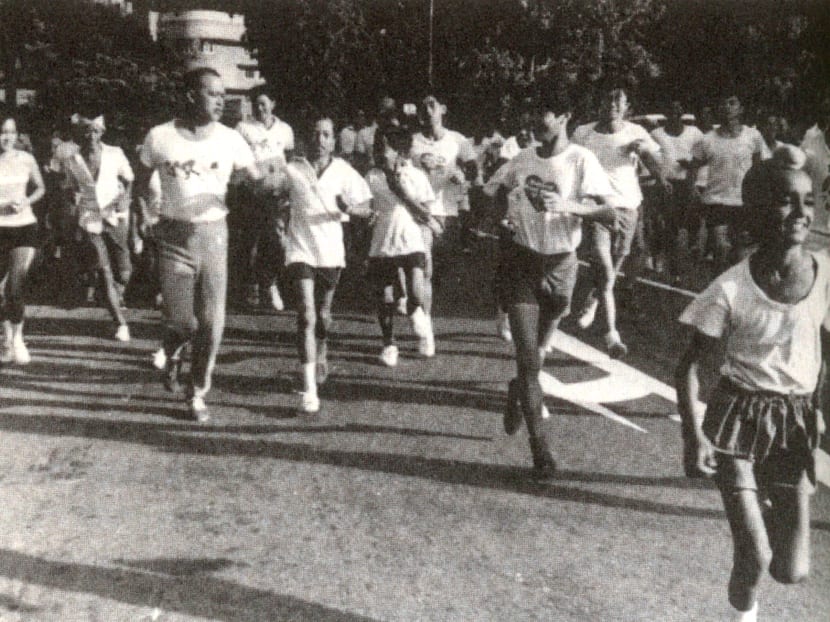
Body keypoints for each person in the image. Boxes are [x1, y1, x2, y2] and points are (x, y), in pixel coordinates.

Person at [676, 149, 826, 622]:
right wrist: (692, 435)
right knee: (755, 558)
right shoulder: (730, 289)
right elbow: (688, 368)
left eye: (808, 201)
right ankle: (743, 616)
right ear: (759, 210)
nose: (801, 213)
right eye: (785, 201)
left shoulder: (824, 275)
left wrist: (821, 412)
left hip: (795, 423)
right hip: (737, 421)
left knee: (793, 570)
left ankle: (763, 496)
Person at [484, 100, 616, 477]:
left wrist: (570, 206)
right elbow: (490, 191)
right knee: (528, 359)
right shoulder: (523, 158)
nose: (535, 124)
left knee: (534, 360)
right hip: (523, 264)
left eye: (542, 117)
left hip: (562, 267)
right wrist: (502, 220)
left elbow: (609, 213)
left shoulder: (581, 160)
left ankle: (517, 390)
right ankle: (541, 451)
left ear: (563, 118)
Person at [138, 67, 264, 422]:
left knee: (211, 324)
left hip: (214, 237)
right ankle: (172, 348)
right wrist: (146, 212)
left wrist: (265, 181)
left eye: (224, 94)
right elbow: (141, 175)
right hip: (173, 237)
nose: (221, 100)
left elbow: (255, 180)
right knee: (182, 321)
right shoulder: (159, 136)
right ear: (192, 95)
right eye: (213, 93)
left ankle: (196, 391)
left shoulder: (231, 139)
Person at [279, 117, 372, 413]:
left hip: (330, 253)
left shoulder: (344, 171)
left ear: (334, 141)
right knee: (306, 314)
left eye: (327, 135)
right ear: (307, 139)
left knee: (322, 315)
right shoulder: (293, 169)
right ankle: (309, 388)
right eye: (316, 134)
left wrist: (350, 209)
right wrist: (279, 219)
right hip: (300, 250)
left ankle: (321, 351)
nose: (321, 139)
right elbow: (275, 194)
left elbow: (368, 209)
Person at [572, 88, 669, 358]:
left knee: (615, 263)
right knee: (602, 262)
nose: (611, 104)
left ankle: (594, 297)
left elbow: (659, 165)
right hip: (597, 207)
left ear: (626, 106)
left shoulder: (636, 132)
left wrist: (646, 155)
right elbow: (570, 162)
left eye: (618, 101)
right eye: (607, 99)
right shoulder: (583, 133)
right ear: (599, 103)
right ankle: (611, 333)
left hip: (628, 206)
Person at [410, 94, 477, 355]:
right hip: (421, 212)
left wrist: (463, 175)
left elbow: (473, 169)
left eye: (432, 105)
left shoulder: (457, 140)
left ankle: (420, 304)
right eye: (422, 106)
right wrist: (419, 162)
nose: (427, 111)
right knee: (424, 268)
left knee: (439, 272)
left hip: (448, 213)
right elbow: (399, 166)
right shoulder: (413, 142)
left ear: (443, 109)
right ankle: (426, 332)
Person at [365, 124, 436, 366]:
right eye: (378, 147)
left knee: (416, 291)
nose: (379, 152)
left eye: (385, 147)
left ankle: (419, 316)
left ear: (400, 152)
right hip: (383, 243)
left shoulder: (416, 176)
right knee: (385, 298)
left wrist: (402, 192)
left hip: (411, 241)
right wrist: (366, 216)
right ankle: (389, 344)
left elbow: (427, 213)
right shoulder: (372, 176)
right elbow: (367, 206)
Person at [63, 113, 134, 341]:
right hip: (89, 218)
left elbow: (130, 178)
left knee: (124, 273)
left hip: (116, 216)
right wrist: (73, 212)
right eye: (86, 131)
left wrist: (126, 198)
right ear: (79, 135)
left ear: (101, 132)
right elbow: (69, 187)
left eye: (95, 130)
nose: (90, 135)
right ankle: (119, 322)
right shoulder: (72, 160)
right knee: (104, 270)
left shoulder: (115, 153)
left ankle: (111, 291)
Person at [687, 94, 769, 277]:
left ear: (740, 108)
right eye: (722, 103)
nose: (726, 107)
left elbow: (760, 168)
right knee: (721, 248)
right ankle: (717, 289)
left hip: (744, 203)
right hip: (716, 202)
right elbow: (692, 168)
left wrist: (761, 198)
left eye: (732, 103)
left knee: (740, 254)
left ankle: (738, 294)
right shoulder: (707, 140)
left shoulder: (753, 136)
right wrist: (693, 192)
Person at [233, 85, 294, 311]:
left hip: (277, 196)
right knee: (251, 242)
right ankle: (251, 288)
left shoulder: (285, 130)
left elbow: (287, 159)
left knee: (277, 242)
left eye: (263, 104)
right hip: (251, 194)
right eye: (256, 104)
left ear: (273, 104)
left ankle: (270, 283)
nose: (260, 109)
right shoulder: (243, 128)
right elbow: (238, 161)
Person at [0, 112, 45, 364]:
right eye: (2, 132)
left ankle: (18, 338)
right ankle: (6, 339)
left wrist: (25, 200)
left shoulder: (26, 159)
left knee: (14, 287)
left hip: (24, 227)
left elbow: (41, 188)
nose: (6, 137)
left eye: (10, 131)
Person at [650, 101, 705, 281]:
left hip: (687, 184)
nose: (674, 113)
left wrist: (691, 167)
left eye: (678, 110)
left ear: (682, 112)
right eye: (670, 110)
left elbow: (705, 156)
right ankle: (672, 269)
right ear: (665, 113)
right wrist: (658, 178)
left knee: (691, 222)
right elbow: (648, 158)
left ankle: (693, 247)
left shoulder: (694, 133)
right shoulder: (656, 134)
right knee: (668, 226)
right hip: (665, 185)